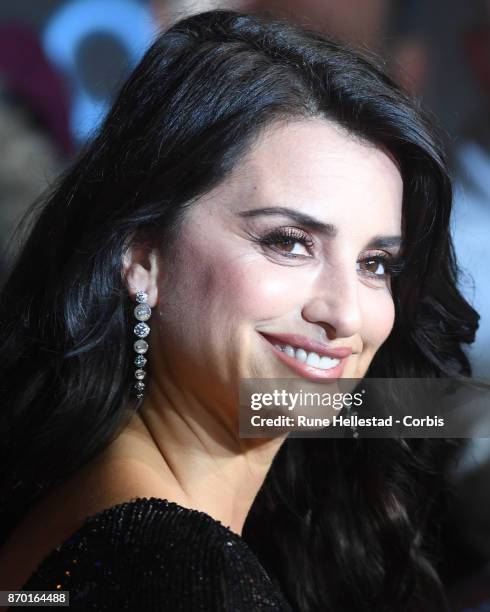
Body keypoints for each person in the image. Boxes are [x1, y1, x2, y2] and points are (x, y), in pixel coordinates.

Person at [0, 9, 479, 611]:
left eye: (375, 264)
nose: (346, 316)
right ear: (141, 255)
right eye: (289, 242)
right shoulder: (178, 570)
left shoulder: (98, 509)